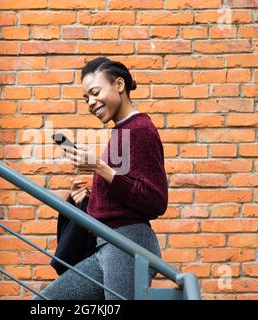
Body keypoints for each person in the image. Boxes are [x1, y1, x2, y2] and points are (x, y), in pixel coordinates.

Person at [33, 57, 168, 300]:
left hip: (127, 243)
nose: (91, 103)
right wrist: (89, 196)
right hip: (106, 244)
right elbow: (124, 191)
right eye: (86, 99)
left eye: (95, 93)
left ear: (119, 85)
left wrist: (99, 167)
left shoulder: (140, 129)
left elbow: (155, 200)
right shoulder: (122, 131)